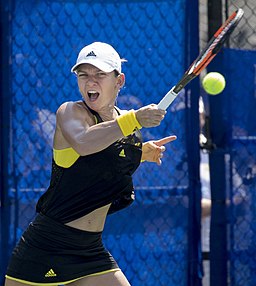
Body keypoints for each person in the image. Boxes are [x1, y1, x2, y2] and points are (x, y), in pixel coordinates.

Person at [4, 42, 177, 286]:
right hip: (46, 247)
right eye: (83, 74)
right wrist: (135, 119)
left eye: (100, 74)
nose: (90, 81)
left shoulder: (127, 129)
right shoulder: (70, 112)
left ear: (119, 81)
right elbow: (84, 143)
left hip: (90, 250)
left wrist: (140, 153)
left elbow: (101, 163)